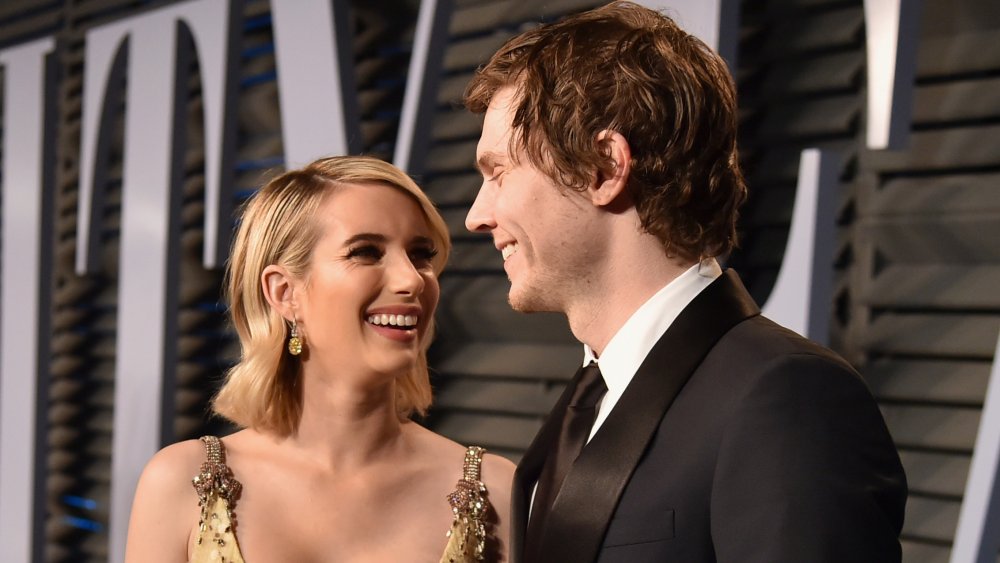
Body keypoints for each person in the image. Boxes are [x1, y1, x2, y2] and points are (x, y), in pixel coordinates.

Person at [463, 2, 907, 563]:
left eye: (498, 172)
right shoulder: (591, 395)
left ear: (603, 168)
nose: (477, 215)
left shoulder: (787, 397)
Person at [125, 155, 514, 562]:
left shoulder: (497, 491)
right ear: (284, 293)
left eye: (421, 255)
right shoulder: (179, 485)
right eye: (365, 252)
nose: (412, 280)